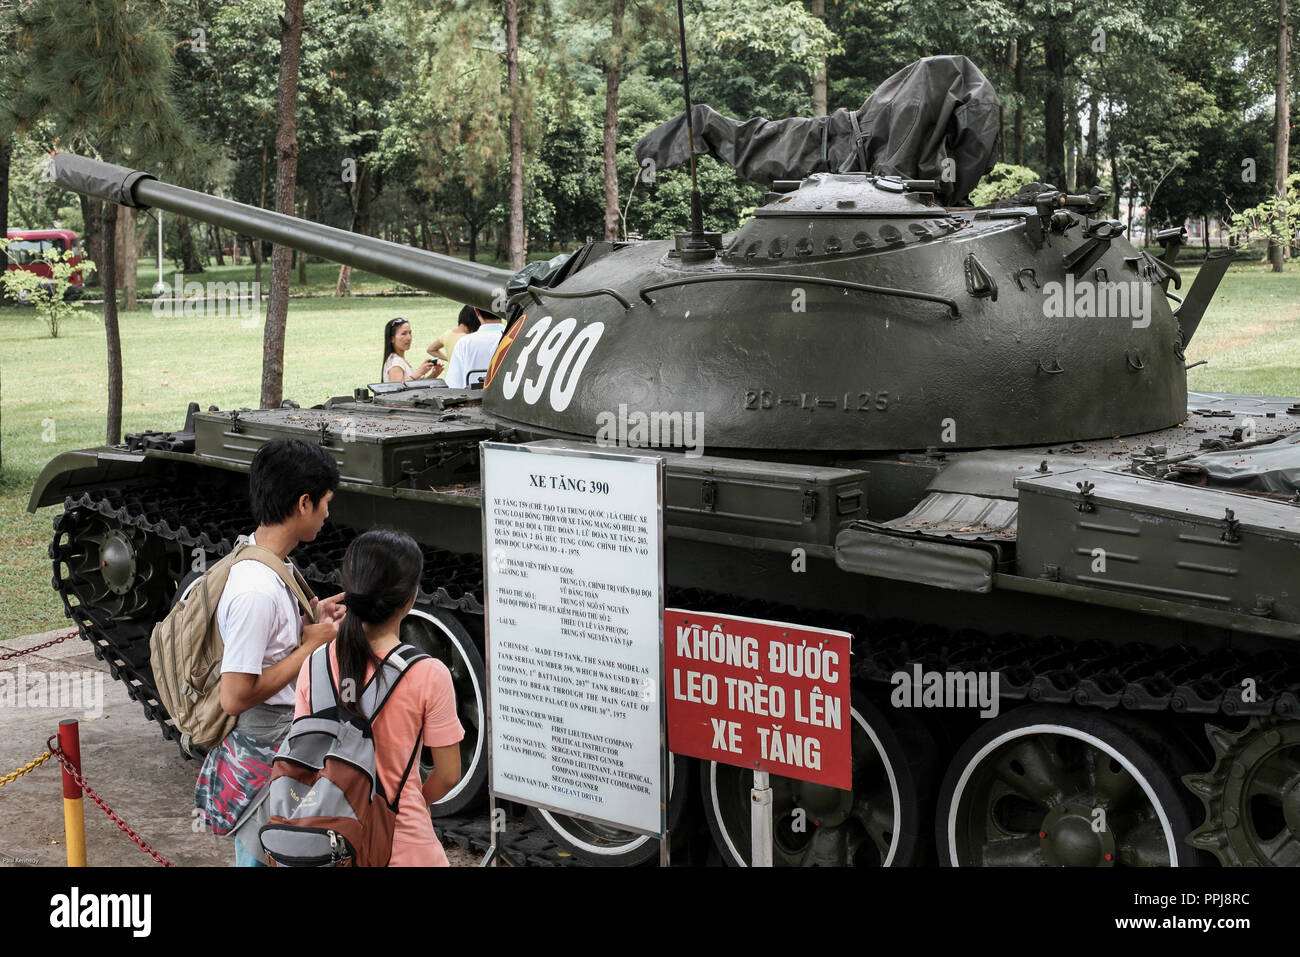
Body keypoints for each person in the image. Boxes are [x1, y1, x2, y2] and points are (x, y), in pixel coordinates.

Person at [208, 438, 346, 867]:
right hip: (265, 754)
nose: (327, 514)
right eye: (325, 503)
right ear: (303, 503)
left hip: (281, 750)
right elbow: (234, 696)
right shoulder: (256, 590)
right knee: (262, 854)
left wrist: (310, 622)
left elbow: (269, 649)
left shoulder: (274, 565)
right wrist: (308, 647)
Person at [292, 528, 464, 866]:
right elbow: (448, 776)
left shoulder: (313, 665)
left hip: (333, 846)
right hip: (406, 848)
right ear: (411, 596)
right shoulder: (429, 673)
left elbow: (304, 757)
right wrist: (406, 800)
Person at [445, 308, 505, 388]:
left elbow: (454, 385)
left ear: (476, 311)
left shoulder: (464, 343)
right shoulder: (517, 337)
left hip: (474, 399)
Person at [425, 305, 481, 379]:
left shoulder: (447, 334)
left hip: (453, 377)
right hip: (468, 377)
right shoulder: (469, 339)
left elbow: (431, 349)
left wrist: (449, 358)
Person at [382, 317, 440, 382]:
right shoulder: (396, 363)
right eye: (403, 334)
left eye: (410, 333)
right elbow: (397, 389)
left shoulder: (399, 360)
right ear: (392, 339)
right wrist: (419, 372)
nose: (409, 337)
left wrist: (433, 375)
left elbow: (412, 386)